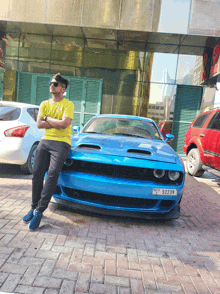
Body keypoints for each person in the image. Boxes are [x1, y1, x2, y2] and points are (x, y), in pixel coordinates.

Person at [23, 73, 74, 230]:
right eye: (51, 83)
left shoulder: (68, 105)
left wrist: (47, 119)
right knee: (37, 173)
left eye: (55, 84)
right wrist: (52, 122)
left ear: (63, 89)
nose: (51, 85)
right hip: (45, 141)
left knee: (52, 175)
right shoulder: (44, 103)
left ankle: (40, 211)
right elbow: (39, 124)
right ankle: (33, 206)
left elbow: (65, 124)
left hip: (62, 143)